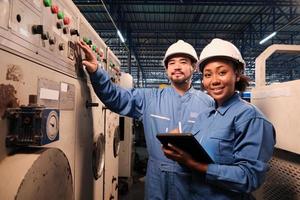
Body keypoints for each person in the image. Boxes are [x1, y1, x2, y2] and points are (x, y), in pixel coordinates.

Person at [77, 40, 214, 200]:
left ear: (194, 67)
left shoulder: (208, 103)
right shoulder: (149, 98)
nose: (177, 67)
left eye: (183, 62)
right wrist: (96, 72)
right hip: (157, 177)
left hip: (191, 178)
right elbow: (115, 97)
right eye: (171, 63)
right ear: (166, 69)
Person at [162, 38, 276, 199]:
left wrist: (195, 164)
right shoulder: (204, 116)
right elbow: (197, 154)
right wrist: (178, 146)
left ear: (237, 75)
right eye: (208, 75)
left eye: (222, 72)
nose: (214, 80)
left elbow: (250, 177)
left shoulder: (251, 118)